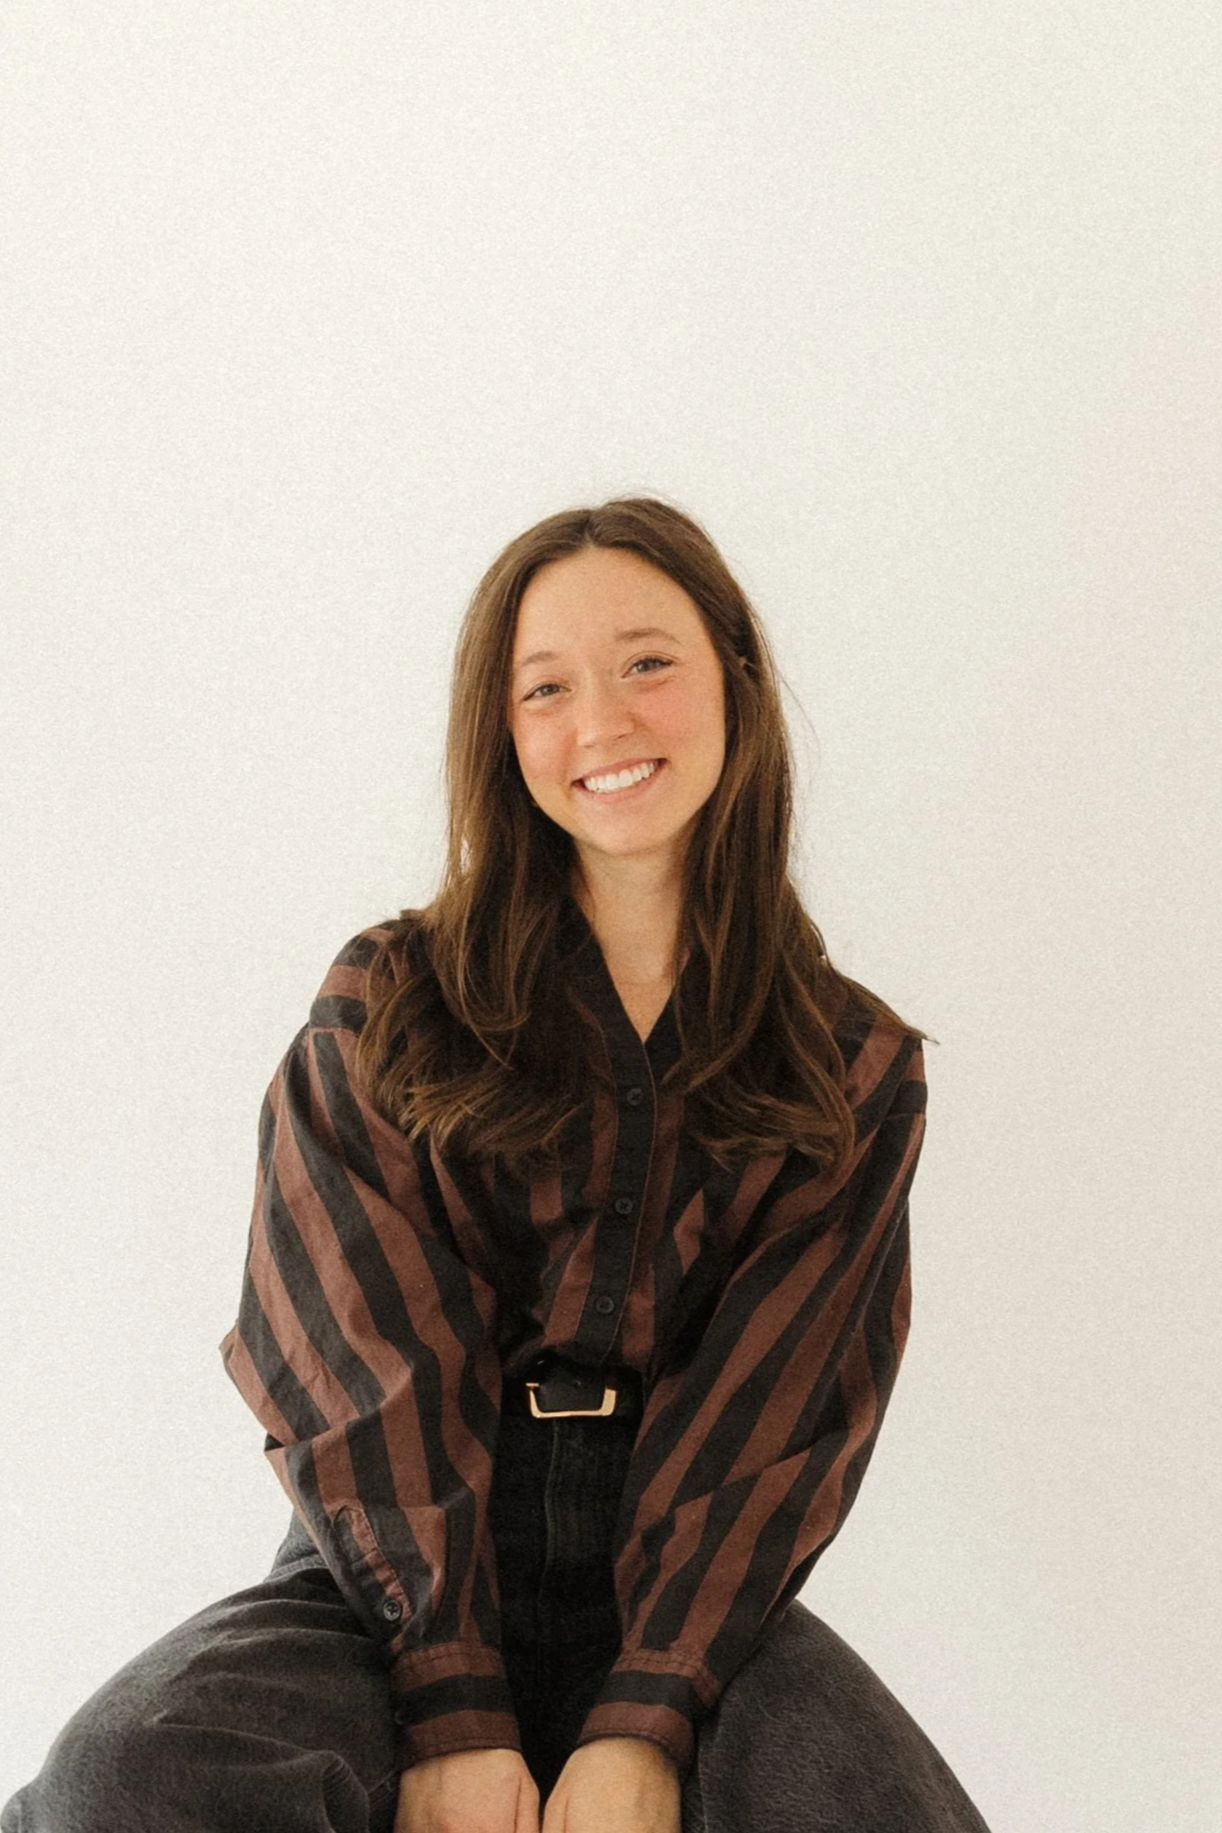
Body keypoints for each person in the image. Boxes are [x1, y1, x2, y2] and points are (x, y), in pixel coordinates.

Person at [3, 498, 990, 1832]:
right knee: (127, 1778)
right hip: (392, 1573)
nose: (603, 724)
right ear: (499, 730)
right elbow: (358, 1361)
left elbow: (782, 1415)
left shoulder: (849, 1063)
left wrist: (644, 1720)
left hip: (685, 1601)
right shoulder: (393, 1000)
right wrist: (451, 1703)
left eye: (649, 663)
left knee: (877, 1812)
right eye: (546, 688)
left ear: (735, 687)